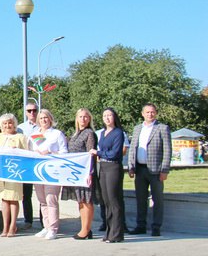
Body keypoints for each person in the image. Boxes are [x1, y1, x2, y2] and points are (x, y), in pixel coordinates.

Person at [127, 103, 172, 237]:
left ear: (156, 113)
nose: (150, 114)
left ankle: (156, 227)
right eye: (147, 112)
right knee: (141, 199)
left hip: (156, 170)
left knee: (157, 199)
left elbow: (167, 151)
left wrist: (165, 170)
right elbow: (132, 149)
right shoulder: (137, 129)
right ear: (142, 114)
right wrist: (131, 166)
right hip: (140, 169)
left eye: (152, 112)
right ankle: (141, 225)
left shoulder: (162, 128)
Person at [29, 109, 68, 240]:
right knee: (42, 201)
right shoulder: (34, 135)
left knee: (51, 199)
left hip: (53, 171)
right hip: (38, 171)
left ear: (50, 119)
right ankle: (46, 226)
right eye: (41, 118)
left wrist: (51, 152)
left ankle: (53, 228)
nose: (43, 120)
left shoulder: (57, 134)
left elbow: (64, 152)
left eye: (46, 118)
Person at [61, 109, 99, 240]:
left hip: (86, 172)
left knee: (87, 201)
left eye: (86, 117)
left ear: (89, 119)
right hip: (76, 173)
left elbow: (91, 154)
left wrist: (90, 172)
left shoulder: (89, 134)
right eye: (80, 117)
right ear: (76, 119)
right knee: (80, 201)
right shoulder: (75, 134)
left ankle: (86, 229)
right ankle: (84, 228)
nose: (83, 119)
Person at [90, 108, 127, 243]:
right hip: (103, 167)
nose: (107, 118)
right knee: (105, 201)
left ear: (114, 117)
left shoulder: (118, 133)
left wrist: (98, 153)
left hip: (113, 166)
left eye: (109, 115)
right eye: (104, 115)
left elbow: (115, 153)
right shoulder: (103, 133)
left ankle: (117, 234)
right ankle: (109, 232)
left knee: (114, 200)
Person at [0, 114, 28, 237]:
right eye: (5, 123)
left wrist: (17, 151)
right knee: (4, 199)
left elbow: (26, 154)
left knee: (13, 198)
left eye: (10, 123)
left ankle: (13, 226)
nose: (7, 125)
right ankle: (5, 226)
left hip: (15, 172)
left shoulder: (21, 137)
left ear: (14, 124)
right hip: (2, 172)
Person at [17, 103, 40, 229]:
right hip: (25, 164)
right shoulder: (20, 128)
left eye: (34, 110)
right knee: (26, 194)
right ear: (25, 112)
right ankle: (28, 220)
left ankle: (44, 221)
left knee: (43, 194)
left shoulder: (42, 126)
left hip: (39, 162)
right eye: (29, 111)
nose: (32, 113)